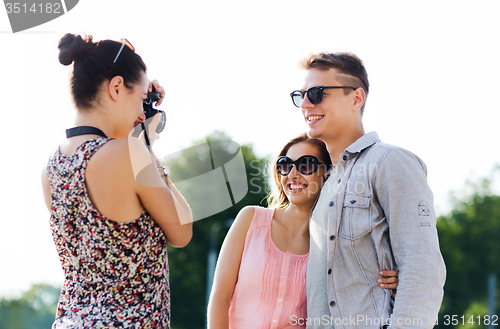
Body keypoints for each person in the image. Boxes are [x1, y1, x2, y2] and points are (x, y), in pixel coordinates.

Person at [41, 33, 193, 328]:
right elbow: (182, 230)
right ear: (117, 87)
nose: (141, 112)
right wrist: (148, 149)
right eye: (139, 99)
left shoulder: (51, 167)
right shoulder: (130, 153)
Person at [290, 52, 446, 328]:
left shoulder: (390, 161)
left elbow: (422, 268)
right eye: (299, 95)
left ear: (356, 98)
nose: (305, 104)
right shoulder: (324, 182)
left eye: (316, 93)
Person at [207, 133, 399, 329]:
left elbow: (362, 285)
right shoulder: (250, 220)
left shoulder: (335, 244)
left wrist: (394, 283)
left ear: (329, 174)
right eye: (285, 165)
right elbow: (220, 298)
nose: (292, 174)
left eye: (305, 164)